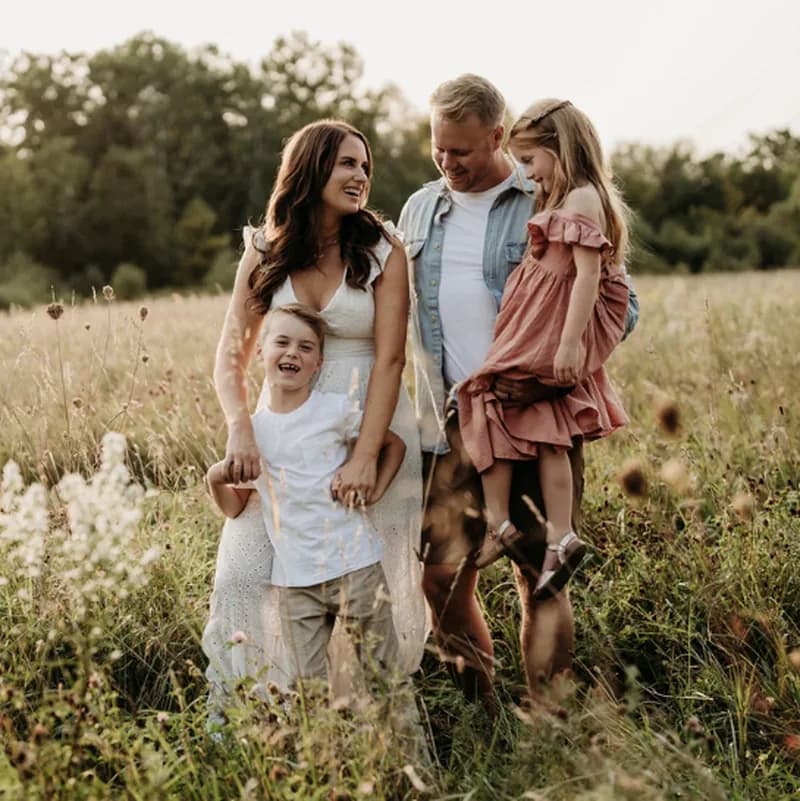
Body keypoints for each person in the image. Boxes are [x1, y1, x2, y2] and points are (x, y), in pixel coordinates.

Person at [398, 75, 639, 711]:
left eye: (463, 151)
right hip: (454, 417)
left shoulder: (546, 195)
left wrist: (560, 365)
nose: (448, 163)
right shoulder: (420, 209)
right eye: (438, 149)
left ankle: (547, 725)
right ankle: (482, 712)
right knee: (442, 575)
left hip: (536, 414)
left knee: (542, 580)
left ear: (498, 137)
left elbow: (623, 303)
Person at [202, 120, 427, 705]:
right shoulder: (264, 251)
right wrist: (239, 430)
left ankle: (361, 730)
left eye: (365, 167)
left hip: (367, 426)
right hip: (278, 436)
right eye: (347, 164)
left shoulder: (384, 250)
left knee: (363, 587)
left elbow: (390, 360)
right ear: (311, 168)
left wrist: (365, 454)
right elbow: (230, 358)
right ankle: (250, 718)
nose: (360, 177)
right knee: (245, 573)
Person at [457, 98, 630, 599]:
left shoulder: (580, 199)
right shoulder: (569, 197)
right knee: (550, 428)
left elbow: (588, 277)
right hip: (544, 324)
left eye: (531, 161)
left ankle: (498, 523)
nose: (527, 175)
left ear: (562, 147)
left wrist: (570, 342)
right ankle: (560, 535)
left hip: (551, 329)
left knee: (481, 396)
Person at [205, 304, 408, 692]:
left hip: (357, 568)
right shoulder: (254, 434)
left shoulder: (334, 411)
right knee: (307, 696)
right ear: (261, 353)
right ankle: (324, 753)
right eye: (282, 342)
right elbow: (234, 507)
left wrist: (376, 488)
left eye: (306, 347)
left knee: (386, 680)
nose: (293, 353)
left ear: (318, 363)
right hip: (297, 583)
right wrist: (214, 476)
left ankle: (406, 751)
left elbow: (392, 445)